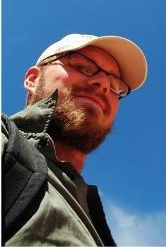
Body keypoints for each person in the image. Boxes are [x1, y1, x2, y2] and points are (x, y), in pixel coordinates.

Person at [2, 33, 148, 246]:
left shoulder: (91, 217)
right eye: (83, 66)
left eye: (116, 85)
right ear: (32, 79)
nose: (104, 84)